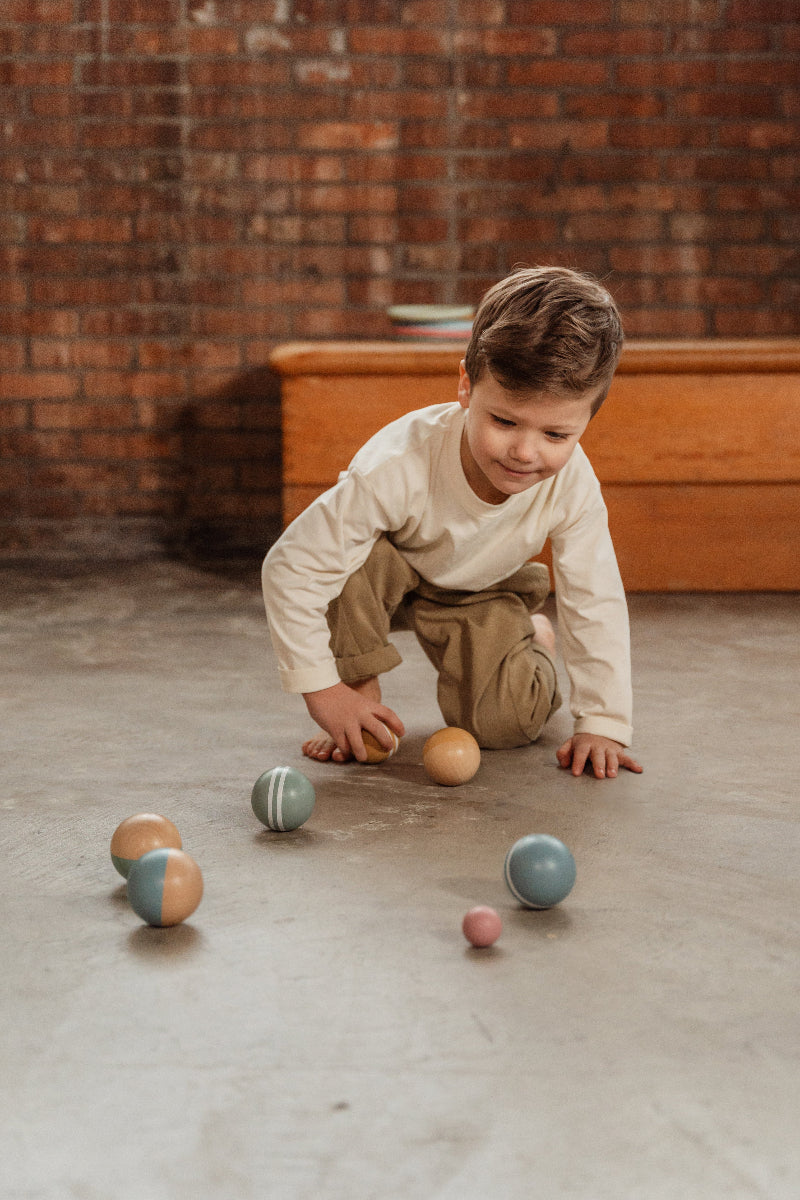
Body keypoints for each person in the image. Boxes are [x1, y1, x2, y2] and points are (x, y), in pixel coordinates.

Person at [262, 266, 643, 780]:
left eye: (556, 434)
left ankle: (530, 637)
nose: (525, 452)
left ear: (587, 421)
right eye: (504, 421)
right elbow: (293, 568)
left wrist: (602, 720)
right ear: (466, 385)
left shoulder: (572, 484)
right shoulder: (398, 464)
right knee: (347, 562)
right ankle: (357, 705)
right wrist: (325, 692)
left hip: (484, 586)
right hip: (385, 577)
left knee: (506, 725)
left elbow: (594, 597)